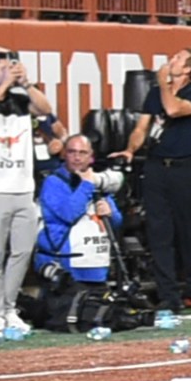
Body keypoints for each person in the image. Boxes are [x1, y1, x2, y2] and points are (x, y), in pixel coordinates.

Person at [124, 48, 191, 317]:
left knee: (190, 233)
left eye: (177, 58)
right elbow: (142, 127)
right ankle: (168, 296)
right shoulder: (155, 93)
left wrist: (163, 84)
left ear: (188, 70)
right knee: (159, 233)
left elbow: (174, 110)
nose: (170, 60)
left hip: (184, 168)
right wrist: (131, 149)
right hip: (156, 168)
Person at [0, 53, 54, 336]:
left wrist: (26, 83)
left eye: (12, 68)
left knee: (22, 251)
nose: (10, 72)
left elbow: (45, 109)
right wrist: (3, 86)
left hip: (22, 187)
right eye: (3, 69)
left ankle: (9, 306)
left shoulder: (21, 100)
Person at [31, 134, 126, 325]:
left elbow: (116, 222)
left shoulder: (97, 182)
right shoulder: (54, 183)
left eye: (82, 153)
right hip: (67, 269)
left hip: (97, 267)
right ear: (64, 155)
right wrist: (87, 184)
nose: (77, 157)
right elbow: (69, 213)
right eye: (72, 152)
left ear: (91, 157)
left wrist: (110, 213)